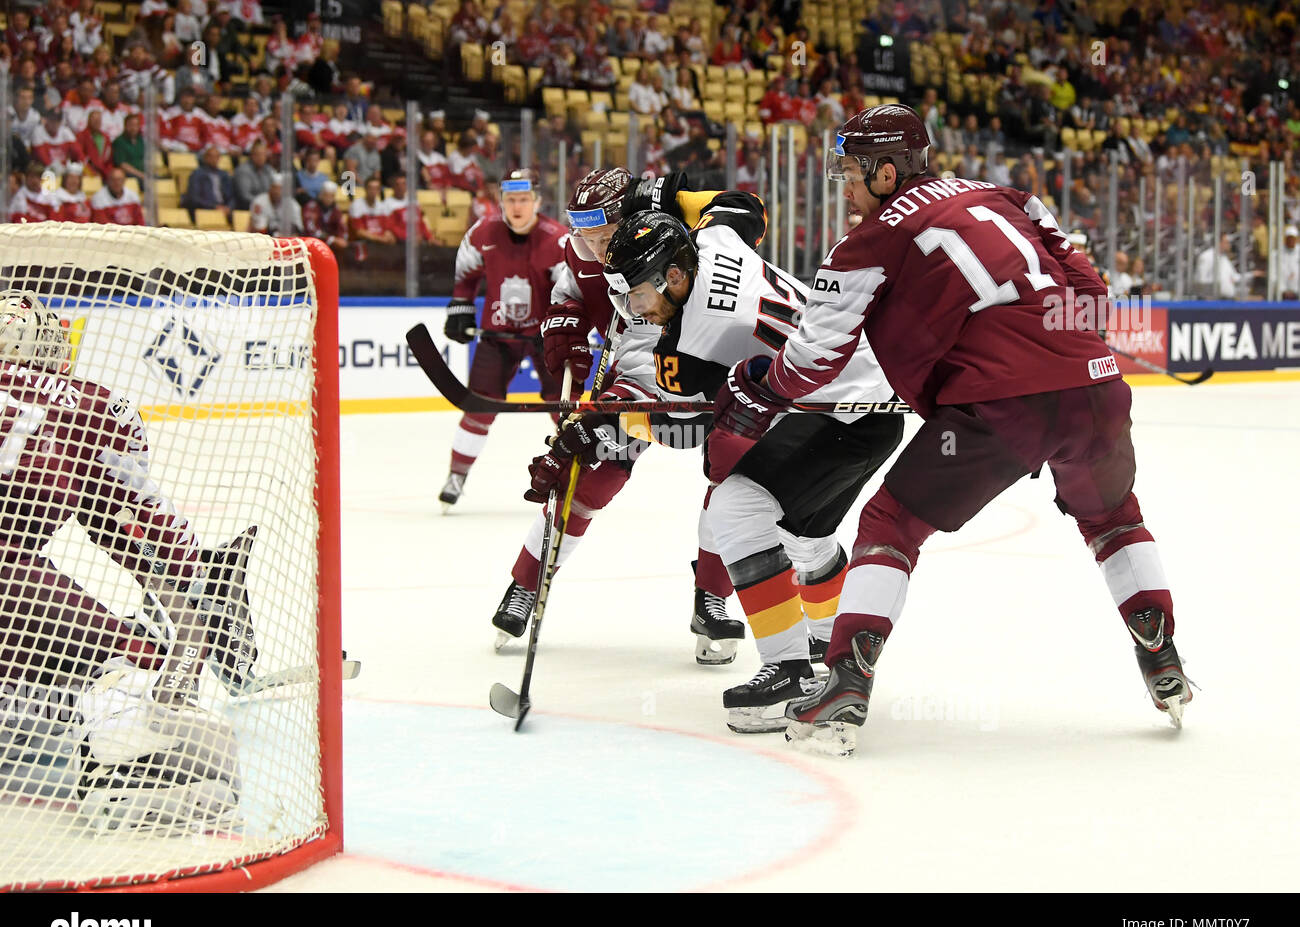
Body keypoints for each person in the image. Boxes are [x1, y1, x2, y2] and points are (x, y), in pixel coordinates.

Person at [706, 105, 1192, 755]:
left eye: (850, 171)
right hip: (1097, 388)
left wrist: (757, 389)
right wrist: (1058, 360)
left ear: (885, 172)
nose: (843, 185)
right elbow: (1090, 292)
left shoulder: (867, 244)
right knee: (1114, 518)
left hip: (997, 410)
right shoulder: (1008, 196)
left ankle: (845, 685)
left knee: (889, 525)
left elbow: (814, 361)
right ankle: (1162, 657)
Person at [588, 211, 902, 730]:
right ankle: (829, 651)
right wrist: (672, 200)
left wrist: (610, 424)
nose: (632, 311)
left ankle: (788, 669)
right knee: (801, 533)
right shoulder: (714, 236)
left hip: (832, 414)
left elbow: (685, 431)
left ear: (673, 277)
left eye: (637, 296)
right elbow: (740, 206)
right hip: (871, 398)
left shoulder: (690, 344)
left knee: (734, 506)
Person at [0, 290, 256, 832]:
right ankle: (125, 772)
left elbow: (104, 519)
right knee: (135, 653)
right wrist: (197, 579)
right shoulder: (87, 405)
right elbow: (140, 516)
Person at [493, 169, 765, 663]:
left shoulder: (665, 238)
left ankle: (713, 597)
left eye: (602, 236)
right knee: (589, 478)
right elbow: (569, 287)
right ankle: (526, 585)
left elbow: (745, 206)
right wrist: (566, 324)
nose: (594, 248)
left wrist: (602, 417)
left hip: (711, 371)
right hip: (652, 374)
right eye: (584, 236)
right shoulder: (585, 249)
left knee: (733, 480)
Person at [439, 170, 568, 512]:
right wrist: (461, 308)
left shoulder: (557, 240)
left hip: (546, 337)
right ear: (502, 202)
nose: (517, 206)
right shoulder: (483, 232)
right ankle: (457, 476)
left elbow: (571, 293)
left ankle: (574, 475)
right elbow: (466, 274)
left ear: (538, 202)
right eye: (510, 199)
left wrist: (565, 328)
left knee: (564, 409)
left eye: (524, 199)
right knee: (479, 408)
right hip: (497, 337)